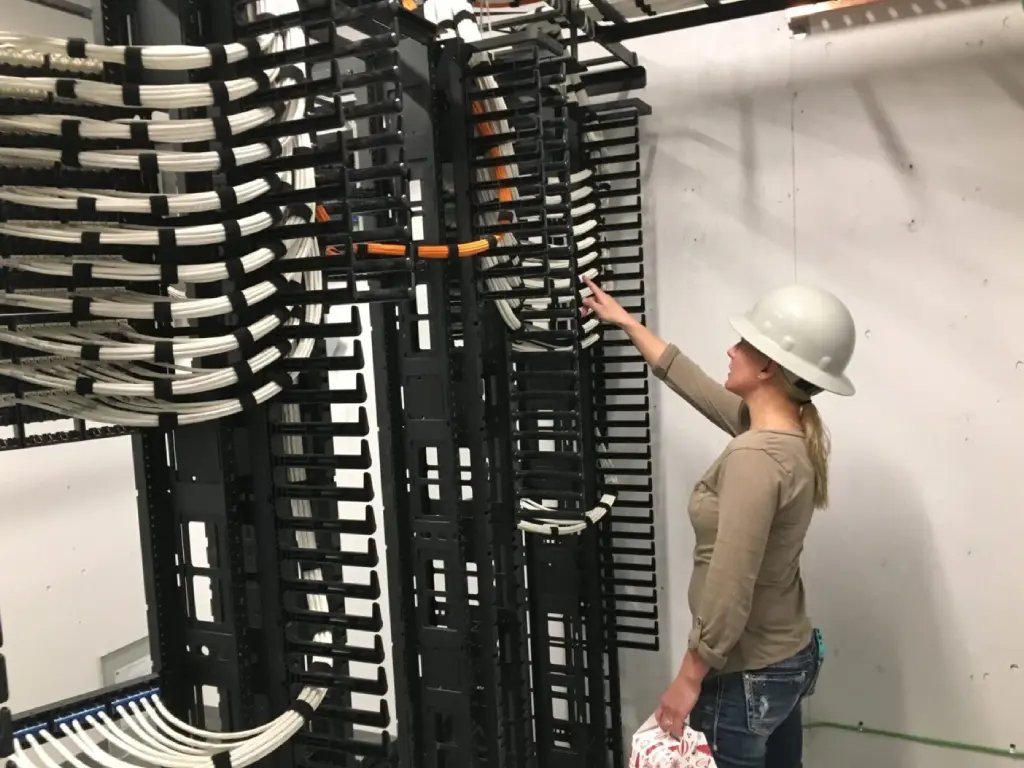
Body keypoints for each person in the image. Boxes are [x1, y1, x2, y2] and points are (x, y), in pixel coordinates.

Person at [581, 276, 857, 768]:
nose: (730, 350)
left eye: (744, 345)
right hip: (787, 659)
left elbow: (730, 584)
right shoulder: (787, 435)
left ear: (769, 366)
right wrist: (625, 322)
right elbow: (694, 384)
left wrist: (688, 679)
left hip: (745, 674)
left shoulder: (755, 454)